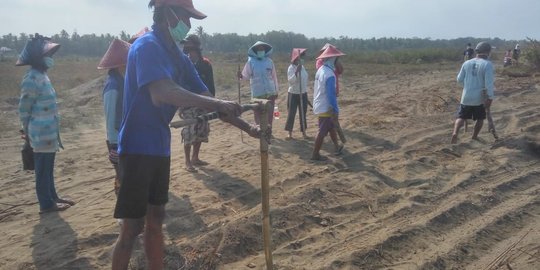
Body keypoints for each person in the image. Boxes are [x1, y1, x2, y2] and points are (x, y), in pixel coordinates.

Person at [112, 1, 261, 269]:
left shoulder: (178, 57)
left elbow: (206, 97)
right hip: (136, 147)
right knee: (131, 229)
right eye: (186, 17)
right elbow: (162, 93)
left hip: (159, 147)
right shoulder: (146, 46)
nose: (189, 25)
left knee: (156, 220)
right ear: (167, 12)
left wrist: (249, 128)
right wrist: (218, 105)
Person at [17, 34, 75, 213]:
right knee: (42, 170)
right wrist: (26, 132)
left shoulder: (42, 76)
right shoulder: (31, 78)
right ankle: (46, 204)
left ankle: (53, 197)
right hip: (39, 134)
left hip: (50, 134)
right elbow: (24, 109)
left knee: (48, 169)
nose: (50, 59)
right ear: (37, 58)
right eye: (47, 55)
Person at [97, 38, 131, 195]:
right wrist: (114, 144)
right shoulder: (113, 85)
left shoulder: (121, 81)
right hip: (116, 139)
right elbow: (110, 116)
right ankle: (123, 215)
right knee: (122, 176)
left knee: (126, 175)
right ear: (120, 64)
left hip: (123, 135)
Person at [179, 34, 216, 172]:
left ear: (195, 47)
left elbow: (210, 85)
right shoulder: (183, 64)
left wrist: (211, 102)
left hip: (204, 102)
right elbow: (179, 85)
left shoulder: (205, 64)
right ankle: (187, 161)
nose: (186, 47)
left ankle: (195, 157)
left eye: (189, 44)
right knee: (188, 131)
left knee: (201, 129)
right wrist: (180, 104)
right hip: (187, 102)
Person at [451, 41, 495, 144]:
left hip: (466, 96)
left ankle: (455, 133)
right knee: (480, 118)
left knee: (461, 117)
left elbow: (459, 79)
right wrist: (490, 97)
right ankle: (474, 136)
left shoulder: (466, 63)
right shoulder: (487, 64)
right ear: (488, 52)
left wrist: (468, 85)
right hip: (479, 98)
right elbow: (489, 84)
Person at [311, 45, 346, 160]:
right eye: (336, 58)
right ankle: (315, 154)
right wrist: (335, 109)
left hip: (321, 103)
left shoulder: (321, 70)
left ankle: (336, 147)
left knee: (331, 127)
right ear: (333, 59)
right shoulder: (330, 74)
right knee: (322, 130)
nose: (338, 61)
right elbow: (331, 94)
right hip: (326, 106)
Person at [238, 41, 279, 127]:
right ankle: (259, 132)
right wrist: (240, 76)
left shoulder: (269, 62)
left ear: (265, 50)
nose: (261, 51)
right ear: (255, 51)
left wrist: (276, 91)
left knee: (270, 113)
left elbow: (274, 77)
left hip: (270, 92)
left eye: (262, 49)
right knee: (258, 112)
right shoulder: (250, 62)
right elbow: (245, 76)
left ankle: (269, 131)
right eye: (259, 49)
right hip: (258, 93)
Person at [285, 48, 309, 139]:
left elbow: (305, 78)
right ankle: (289, 133)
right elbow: (290, 81)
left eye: (302, 57)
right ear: (296, 58)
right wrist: (296, 72)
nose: (302, 59)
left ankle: (304, 132)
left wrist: (304, 90)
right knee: (291, 113)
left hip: (303, 93)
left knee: (303, 113)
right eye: (301, 57)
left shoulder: (302, 67)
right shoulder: (291, 68)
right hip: (293, 93)